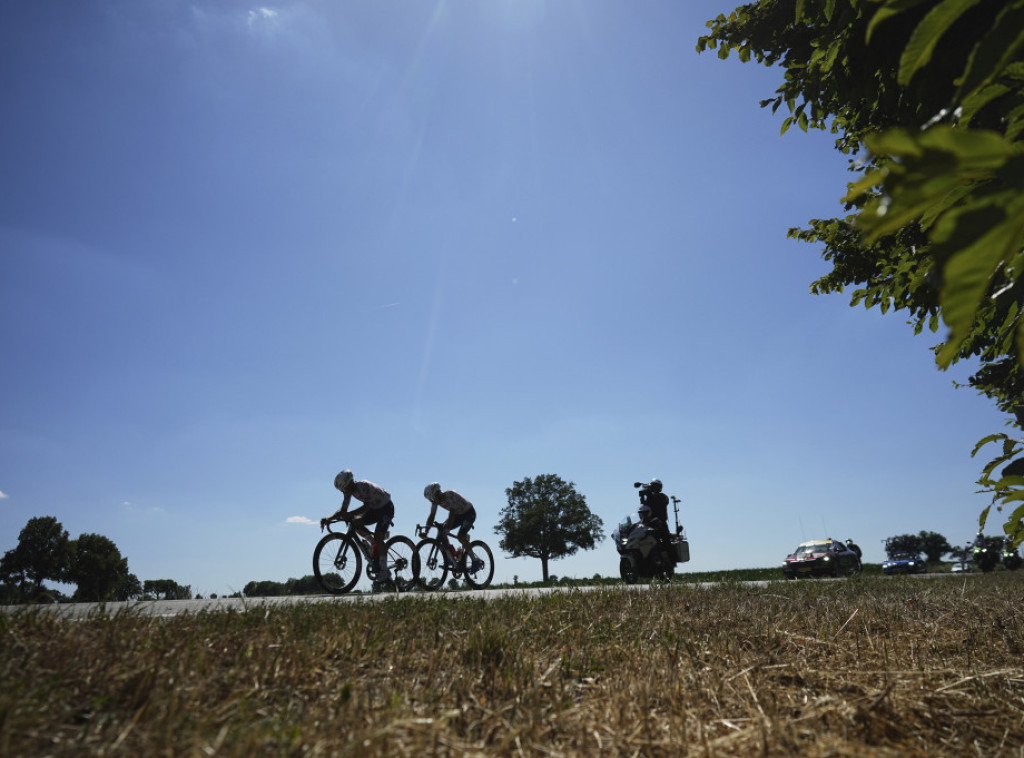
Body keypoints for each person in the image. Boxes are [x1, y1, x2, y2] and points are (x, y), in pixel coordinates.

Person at [321, 469, 395, 585]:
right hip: (374, 508)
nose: (345, 491)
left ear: (350, 482)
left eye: (345, 488)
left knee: (378, 536)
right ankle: (373, 543)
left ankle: (384, 570)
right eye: (342, 490)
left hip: (385, 508)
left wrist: (350, 514)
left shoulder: (363, 486)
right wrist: (329, 518)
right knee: (355, 523)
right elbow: (343, 510)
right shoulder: (348, 492)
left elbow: (366, 507)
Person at [423, 482, 483, 572]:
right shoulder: (436, 501)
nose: (433, 501)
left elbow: (452, 513)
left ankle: (475, 560)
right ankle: (451, 557)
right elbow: (432, 516)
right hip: (458, 515)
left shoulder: (450, 494)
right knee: (441, 531)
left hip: (468, 513)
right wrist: (426, 532)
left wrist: (447, 528)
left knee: (460, 536)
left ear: (437, 493)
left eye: (432, 498)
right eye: (430, 500)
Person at [638, 503, 673, 569]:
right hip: (642, 540)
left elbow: (659, 527)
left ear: (649, 513)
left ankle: (666, 563)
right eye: (642, 513)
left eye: (645, 513)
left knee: (658, 547)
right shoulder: (639, 523)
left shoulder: (655, 520)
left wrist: (654, 530)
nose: (644, 514)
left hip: (653, 539)